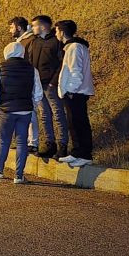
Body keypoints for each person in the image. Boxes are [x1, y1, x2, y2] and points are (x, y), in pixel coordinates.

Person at [0, 41, 43, 184]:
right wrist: (32, 105)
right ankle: (19, 175)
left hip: (7, 110)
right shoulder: (32, 69)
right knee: (22, 142)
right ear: (22, 53)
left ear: (7, 52)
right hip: (25, 110)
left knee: (4, 141)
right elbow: (38, 92)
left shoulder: (0, 68)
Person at [26, 15, 68, 159]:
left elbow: (62, 62)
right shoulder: (34, 42)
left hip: (51, 85)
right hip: (38, 84)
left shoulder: (56, 42)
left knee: (58, 114)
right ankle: (49, 144)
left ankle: (62, 145)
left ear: (43, 26)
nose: (32, 28)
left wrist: (53, 82)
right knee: (44, 115)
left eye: (34, 26)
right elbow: (30, 61)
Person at [55, 19, 95, 167]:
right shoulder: (74, 47)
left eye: (57, 30)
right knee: (75, 123)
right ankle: (77, 152)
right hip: (77, 91)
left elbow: (75, 71)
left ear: (62, 32)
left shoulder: (74, 48)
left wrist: (70, 90)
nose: (56, 33)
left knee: (79, 123)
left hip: (76, 92)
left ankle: (84, 154)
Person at [8, 16, 38, 151]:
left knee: (30, 112)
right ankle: (24, 141)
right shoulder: (21, 42)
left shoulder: (29, 41)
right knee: (22, 112)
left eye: (11, 27)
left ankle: (32, 142)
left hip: (27, 79)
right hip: (21, 80)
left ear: (19, 28)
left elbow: (32, 60)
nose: (10, 30)